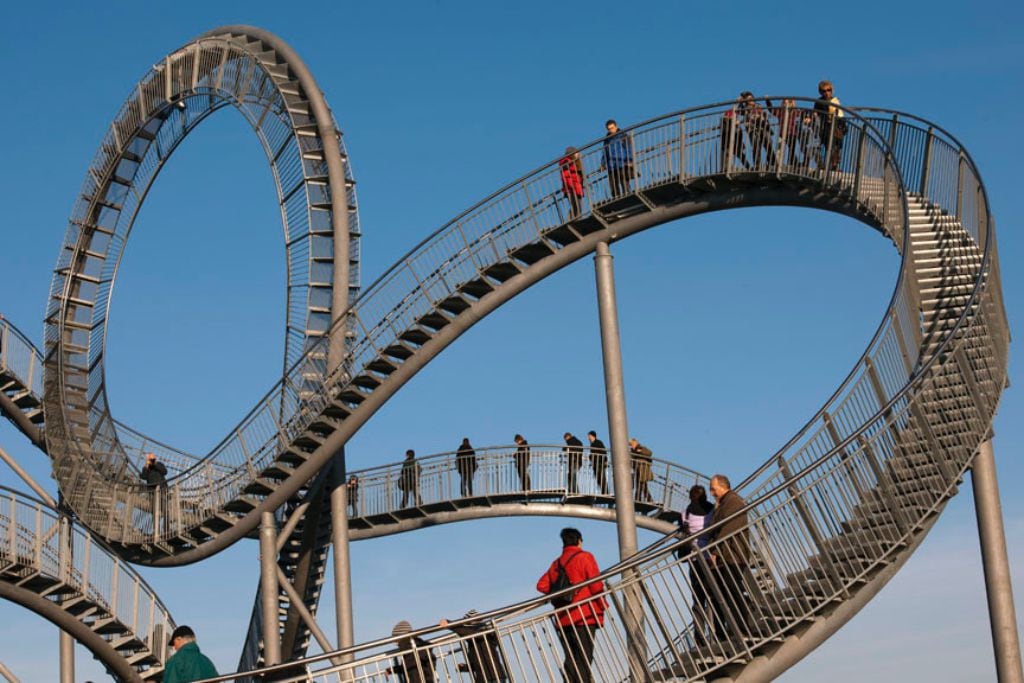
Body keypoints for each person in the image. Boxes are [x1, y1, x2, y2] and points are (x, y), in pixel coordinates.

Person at [537, 528, 606, 683]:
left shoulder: (556, 563)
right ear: (579, 541)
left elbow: (541, 585)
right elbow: (596, 586)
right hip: (585, 616)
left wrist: (560, 592)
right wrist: (603, 605)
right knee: (584, 658)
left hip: (563, 618)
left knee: (571, 658)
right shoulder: (585, 557)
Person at [707, 474, 753, 640]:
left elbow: (728, 528)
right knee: (727, 593)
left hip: (733, 555)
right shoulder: (723, 503)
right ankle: (734, 629)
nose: (712, 493)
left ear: (723, 486)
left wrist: (715, 551)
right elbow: (715, 528)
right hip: (727, 556)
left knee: (734, 592)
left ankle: (743, 628)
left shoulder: (733, 502)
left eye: (713, 489)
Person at [678, 485, 715, 644]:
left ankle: (700, 638)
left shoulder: (685, 514)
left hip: (695, 561)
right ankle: (718, 632)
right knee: (715, 596)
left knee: (698, 600)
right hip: (711, 558)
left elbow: (682, 533)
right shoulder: (713, 510)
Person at [439, 609, 509, 682]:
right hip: (487, 678)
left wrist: (450, 624)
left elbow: (469, 632)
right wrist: (464, 667)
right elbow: (477, 665)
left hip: (494, 677)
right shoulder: (473, 643)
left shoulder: (485, 634)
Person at [814, 80, 846, 171]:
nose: (827, 92)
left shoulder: (835, 100)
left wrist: (843, 127)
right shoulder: (819, 102)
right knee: (828, 147)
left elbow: (840, 114)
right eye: (824, 91)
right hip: (825, 127)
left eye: (829, 90)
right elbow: (815, 113)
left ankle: (834, 166)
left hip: (836, 126)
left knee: (836, 147)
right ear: (821, 92)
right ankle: (825, 165)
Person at [739, 92, 775, 169]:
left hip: (763, 127)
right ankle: (757, 165)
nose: (751, 100)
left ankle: (773, 162)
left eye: (752, 98)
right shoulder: (745, 108)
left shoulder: (758, 105)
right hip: (752, 129)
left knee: (768, 144)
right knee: (756, 146)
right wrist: (740, 102)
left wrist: (767, 101)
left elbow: (770, 110)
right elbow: (739, 111)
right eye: (749, 99)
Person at [601, 119, 634, 198]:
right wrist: (603, 163)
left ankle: (628, 196)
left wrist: (629, 159)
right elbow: (605, 152)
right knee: (613, 185)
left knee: (624, 182)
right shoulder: (606, 140)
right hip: (611, 165)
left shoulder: (623, 135)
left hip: (622, 162)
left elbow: (628, 148)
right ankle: (616, 198)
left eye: (612, 128)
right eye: (609, 129)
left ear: (616, 126)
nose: (611, 130)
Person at [720, 97, 747, 171]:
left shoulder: (732, 117)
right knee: (730, 153)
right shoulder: (727, 120)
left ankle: (747, 166)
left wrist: (739, 102)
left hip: (733, 140)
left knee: (738, 154)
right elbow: (735, 110)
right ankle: (726, 168)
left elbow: (737, 110)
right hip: (729, 140)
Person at [559, 146, 586, 220]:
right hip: (571, 188)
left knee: (578, 206)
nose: (578, 154)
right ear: (572, 153)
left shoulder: (576, 163)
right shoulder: (566, 162)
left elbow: (579, 177)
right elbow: (566, 176)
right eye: (576, 152)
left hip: (577, 188)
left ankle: (576, 219)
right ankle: (573, 220)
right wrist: (572, 186)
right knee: (576, 206)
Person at [628, 438, 654, 502]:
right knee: (642, 486)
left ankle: (638, 499)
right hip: (637, 470)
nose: (632, 445)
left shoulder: (641, 448)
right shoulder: (631, 451)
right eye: (630, 444)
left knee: (640, 485)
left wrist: (641, 451)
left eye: (632, 444)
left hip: (643, 469)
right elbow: (631, 461)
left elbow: (650, 453)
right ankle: (649, 500)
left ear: (635, 442)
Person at [586, 431, 609, 495]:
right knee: (599, 479)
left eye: (589, 436)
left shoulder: (598, 442)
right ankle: (603, 492)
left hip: (599, 463)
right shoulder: (592, 444)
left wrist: (605, 461)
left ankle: (605, 492)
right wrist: (590, 457)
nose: (588, 437)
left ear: (592, 436)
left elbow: (603, 451)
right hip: (596, 464)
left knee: (601, 478)